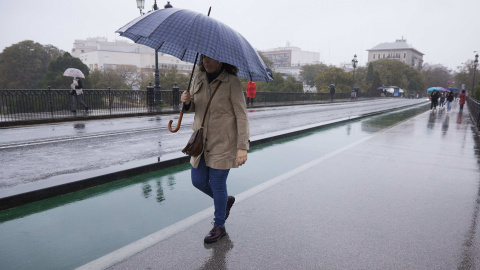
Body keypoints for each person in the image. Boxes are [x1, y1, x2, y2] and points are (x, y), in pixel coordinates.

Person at [180, 55, 249, 244]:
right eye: (203, 58)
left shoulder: (231, 81)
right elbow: (193, 107)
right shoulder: (198, 78)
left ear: (220, 60)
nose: (205, 62)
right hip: (201, 142)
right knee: (198, 181)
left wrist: (242, 146)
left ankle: (219, 225)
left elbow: (241, 115)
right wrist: (186, 102)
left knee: (218, 184)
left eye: (210, 59)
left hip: (223, 141)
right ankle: (225, 201)